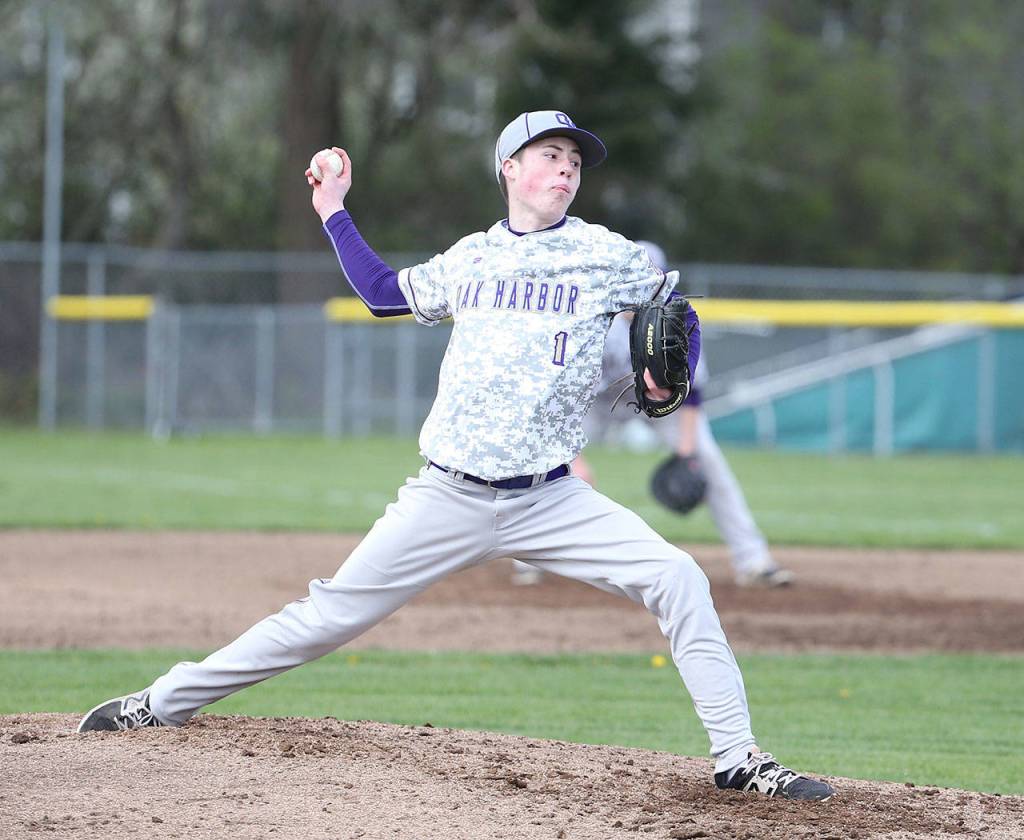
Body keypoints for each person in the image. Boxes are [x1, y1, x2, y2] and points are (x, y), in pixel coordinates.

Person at [77, 110, 833, 801]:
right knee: (323, 618)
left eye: (574, 159)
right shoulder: (470, 259)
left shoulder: (605, 255)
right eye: (550, 155)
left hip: (550, 498)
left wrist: (661, 368)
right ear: (509, 168)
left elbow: (677, 311)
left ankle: (739, 759)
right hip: (448, 496)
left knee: (678, 576)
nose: (567, 169)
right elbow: (380, 293)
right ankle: (159, 703)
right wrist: (332, 209)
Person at [515, 241, 793, 588]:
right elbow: (557, 399)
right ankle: (527, 557)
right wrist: (573, 458)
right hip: (590, 403)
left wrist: (688, 454)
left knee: (708, 460)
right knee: (544, 462)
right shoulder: (591, 318)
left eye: (649, 279)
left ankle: (754, 561)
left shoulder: (675, 319)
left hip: (657, 402)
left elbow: (691, 393)